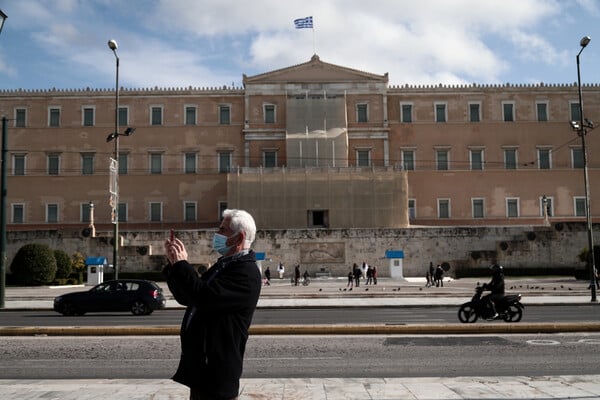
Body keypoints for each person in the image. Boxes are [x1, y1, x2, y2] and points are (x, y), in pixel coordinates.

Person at [163, 209, 261, 400]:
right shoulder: (224, 265)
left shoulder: (245, 274)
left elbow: (204, 298)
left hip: (218, 371)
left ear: (238, 237)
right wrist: (174, 265)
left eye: (222, 230)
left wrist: (183, 265)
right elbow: (188, 297)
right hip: (203, 369)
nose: (217, 234)